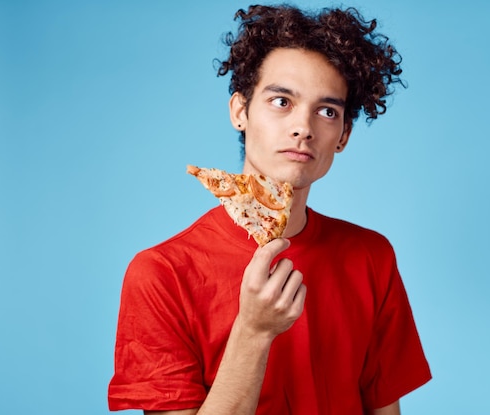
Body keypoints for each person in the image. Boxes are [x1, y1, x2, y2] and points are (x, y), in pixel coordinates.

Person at [108, 4, 431, 415]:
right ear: (240, 112)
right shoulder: (162, 274)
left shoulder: (371, 257)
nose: (304, 127)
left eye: (327, 111)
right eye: (282, 101)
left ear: (343, 135)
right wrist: (254, 331)